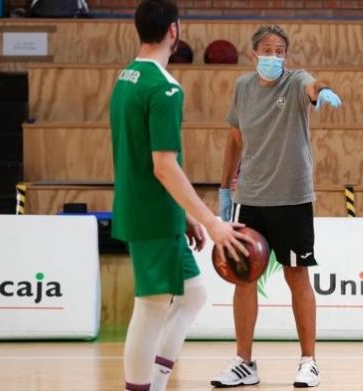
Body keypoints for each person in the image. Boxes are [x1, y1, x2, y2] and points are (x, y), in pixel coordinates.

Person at [109, 1, 252, 390]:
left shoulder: (127, 78)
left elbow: (141, 158)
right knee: (152, 306)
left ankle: (155, 381)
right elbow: (163, 166)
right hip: (152, 212)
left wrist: (185, 215)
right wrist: (213, 222)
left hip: (149, 208)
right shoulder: (164, 87)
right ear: (174, 30)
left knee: (193, 295)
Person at [213, 25, 342, 388]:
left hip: (292, 198)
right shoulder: (242, 88)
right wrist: (225, 189)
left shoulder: (296, 80)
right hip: (250, 198)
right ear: (253, 54)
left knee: (297, 277)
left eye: (280, 50)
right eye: (267, 50)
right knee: (243, 278)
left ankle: (309, 361)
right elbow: (235, 138)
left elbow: (312, 85)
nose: (274, 56)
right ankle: (244, 362)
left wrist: (323, 89)